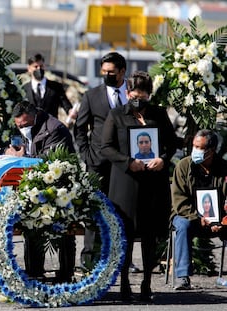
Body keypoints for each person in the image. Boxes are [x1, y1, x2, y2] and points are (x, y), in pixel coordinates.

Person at [101, 71, 177, 302]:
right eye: (134, 93)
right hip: (125, 183)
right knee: (125, 234)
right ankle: (123, 282)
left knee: (150, 235)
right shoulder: (116, 115)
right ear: (127, 93)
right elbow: (106, 147)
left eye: (143, 94)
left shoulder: (159, 114)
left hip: (153, 183)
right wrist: (128, 162)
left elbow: (172, 143)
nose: (138, 97)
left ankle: (146, 283)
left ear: (149, 94)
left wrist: (163, 158)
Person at [5, 100, 76, 282]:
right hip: (33, 190)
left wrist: (23, 157)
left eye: (26, 124)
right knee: (31, 228)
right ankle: (34, 272)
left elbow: (49, 160)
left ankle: (66, 275)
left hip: (58, 190)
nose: (23, 128)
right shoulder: (24, 128)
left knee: (62, 232)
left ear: (34, 115)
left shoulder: (55, 129)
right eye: (19, 125)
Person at [73, 52, 128, 269]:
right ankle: (89, 258)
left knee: (122, 210)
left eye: (111, 72)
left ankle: (120, 256)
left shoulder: (131, 94)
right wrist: (87, 155)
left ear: (122, 72)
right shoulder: (92, 95)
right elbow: (80, 128)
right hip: (98, 162)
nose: (106, 75)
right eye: (103, 72)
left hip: (124, 163)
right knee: (94, 209)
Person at [171, 129, 227, 290]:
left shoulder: (224, 168)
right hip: (187, 216)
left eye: (200, 148)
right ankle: (182, 277)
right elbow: (179, 201)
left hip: (219, 219)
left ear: (211, 151)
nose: (195, 150)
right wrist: (198, 218)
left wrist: (222, 220)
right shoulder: (183, 166)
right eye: (194, 146)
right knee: (182, 225)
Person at [23, 53, 76, 121]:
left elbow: (65, 104)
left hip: (51, 128)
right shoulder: (24, 89)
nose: (39, 69)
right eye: (35, 67)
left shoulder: (56, 87)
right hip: (31, 129)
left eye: (41, 66)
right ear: (29, 69)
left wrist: (70, 111)